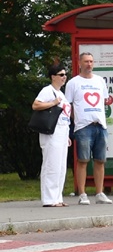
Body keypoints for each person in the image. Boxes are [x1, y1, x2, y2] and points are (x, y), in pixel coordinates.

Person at [64, 52, 112, 205]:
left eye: (91, 61)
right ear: (79, 63)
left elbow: (104, 100)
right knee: (83, 160)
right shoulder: (73, 83)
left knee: (100, 160)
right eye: (86, 61)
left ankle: (99, 193)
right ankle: (82, 194)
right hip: (83, 127)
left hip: (100, 125)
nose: (89, 64)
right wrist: (77, 120)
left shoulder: (99, 80)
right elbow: (68, 106)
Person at [33, 63, 72, 207]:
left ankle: (57, 197)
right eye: (61, 75)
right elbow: (36, 105)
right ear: (53, 77)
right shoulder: (48, 91)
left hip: (62, 131)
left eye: (65, 74)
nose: (64, 77)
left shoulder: (61, 93)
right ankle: (49, 199)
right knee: (52, 164)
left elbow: (64, 116)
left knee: (61, 166)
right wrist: (53, 102)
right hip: (52, 132)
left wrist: (67, 135)